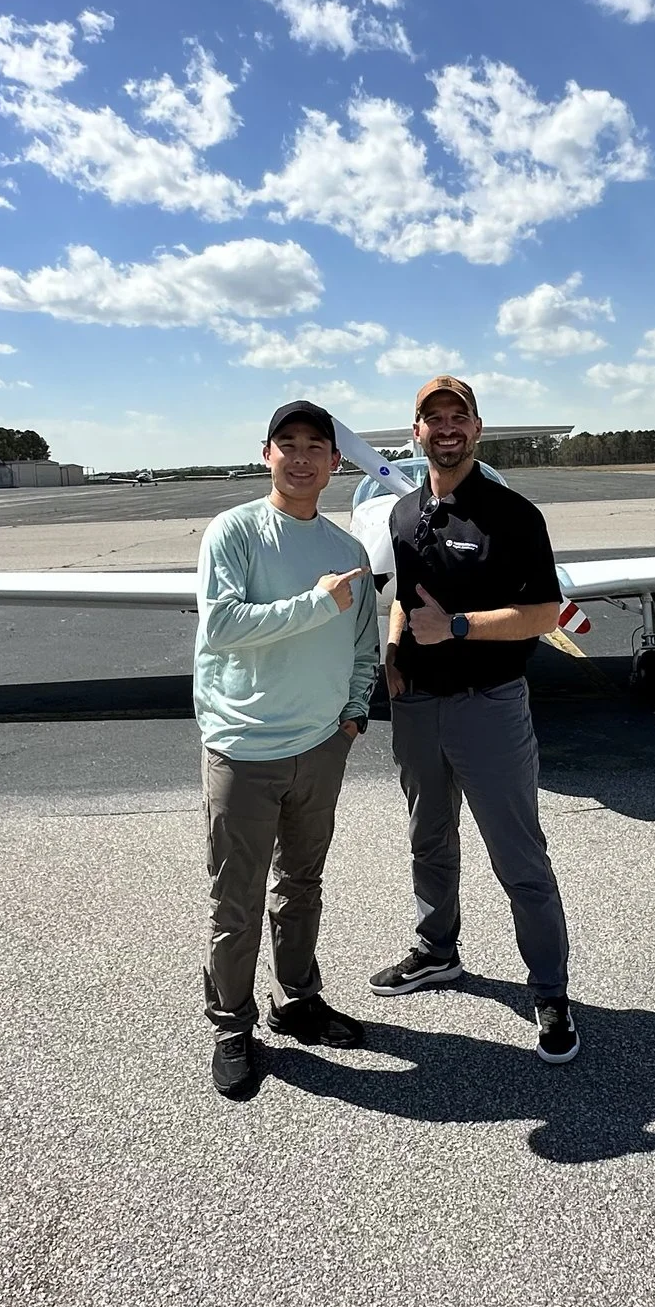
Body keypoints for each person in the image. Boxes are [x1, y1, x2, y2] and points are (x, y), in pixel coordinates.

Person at [368, 375, 580, 1064]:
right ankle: (436, 951)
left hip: (489, 706)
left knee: (520, 859)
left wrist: (455, 626)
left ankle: (549, 991)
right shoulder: (403, 513)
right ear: (417, 431)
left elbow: (545, 614)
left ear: (477, 428)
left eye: (458, 415)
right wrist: (396, 651)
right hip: (418, 708)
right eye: (434, 417)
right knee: (428, 839)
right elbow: (405, 593)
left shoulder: (515, 515)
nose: (446, 427)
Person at [193, 400, 380, 1099]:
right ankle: (231, 1024)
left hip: (321, 746)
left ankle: (298, 998)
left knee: (302, 884)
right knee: (234, 899)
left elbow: (364, 641)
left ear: (335, 462)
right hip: (242, 749)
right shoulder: (234, 531)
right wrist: (314, 604)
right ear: (266, 453)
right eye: (287, 444)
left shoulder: (349, 551)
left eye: (315, 447)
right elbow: (224, 628)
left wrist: (353, 715)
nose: (301, 458)